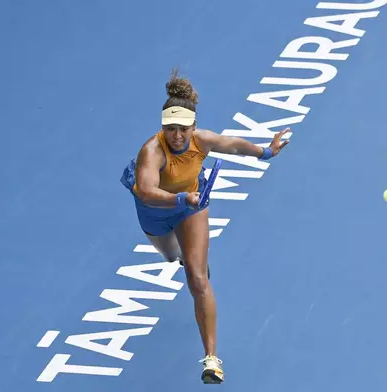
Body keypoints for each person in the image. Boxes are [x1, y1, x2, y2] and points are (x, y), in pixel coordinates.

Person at [120, 69, 289, 384]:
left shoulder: (202, 140)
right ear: (163, 128)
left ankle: (211, 359)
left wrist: (266, 151)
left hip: (191, 209)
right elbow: (146, 191)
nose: (178, 136)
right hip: (155, 212)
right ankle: (184, 255)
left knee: (197, 280)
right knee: (171, 256)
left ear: (193, 126)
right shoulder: (152, 151)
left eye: (183, 129)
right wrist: (183, 198)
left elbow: (233, 144)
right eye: (171, 129)